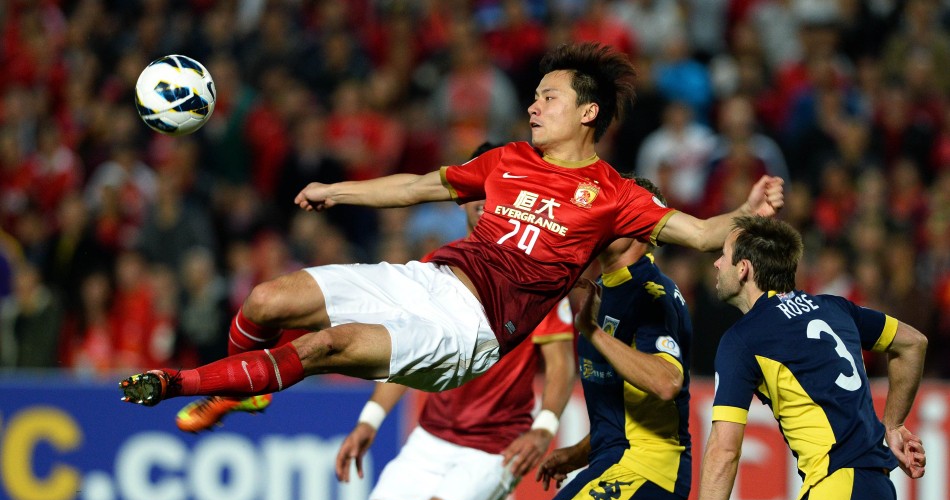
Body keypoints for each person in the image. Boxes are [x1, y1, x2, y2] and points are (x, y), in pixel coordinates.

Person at [119, 42, 783, 424]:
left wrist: (748, 210)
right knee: (267, 301)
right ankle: (247, 388)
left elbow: (700, 235)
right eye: (535, 96)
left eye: (547, 97)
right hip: (427, 278)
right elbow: (416, 186)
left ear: (587, 111)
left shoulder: (614, 193)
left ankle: (187, 385)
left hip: (471, 331)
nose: (532, 105)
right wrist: (334, 190)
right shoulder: (506, 160)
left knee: (327, 345)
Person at [332, 143, 576, 500]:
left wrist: (544, 429)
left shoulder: (536, 275)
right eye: (479, 194)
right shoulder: (440, 268)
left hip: (492, 450)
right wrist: (369, 420)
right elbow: (407, 359)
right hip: (432, 438)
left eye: (498, 194)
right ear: (463, 201)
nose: (488, 203)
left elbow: (561, 363)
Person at [690, 216, 928, 500]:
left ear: (744, 269)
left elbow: (724, 450)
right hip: (861, 493)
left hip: (841, 493)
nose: (716, 264)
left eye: (724, 255)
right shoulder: (834, 308)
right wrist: (894, 424)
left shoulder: (744, 338)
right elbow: (912, 343)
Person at [496, 177, 693, 500]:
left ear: (640, 226)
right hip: (623, 458)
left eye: (616, 214)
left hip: (644, 468)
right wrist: (579, 452)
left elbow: (665, 381)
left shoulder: (648, 293)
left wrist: (591, 332)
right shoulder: (607, 289)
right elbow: (626, 408)